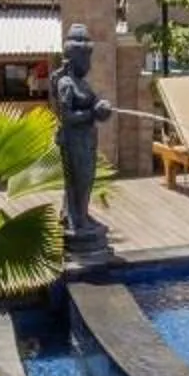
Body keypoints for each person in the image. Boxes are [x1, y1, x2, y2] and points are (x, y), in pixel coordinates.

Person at [50, 23, 113, 250]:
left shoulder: (82, 83)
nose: (88, 64)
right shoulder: (66, 83)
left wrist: (101, 106)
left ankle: (81, 214)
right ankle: (77, 220)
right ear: (74, 58)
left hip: (87, 139)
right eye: (85, 58)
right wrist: (91, 113)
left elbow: (94, 101)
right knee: (79, 180)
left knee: (87, 179)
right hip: (74, 139)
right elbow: (66, 116)